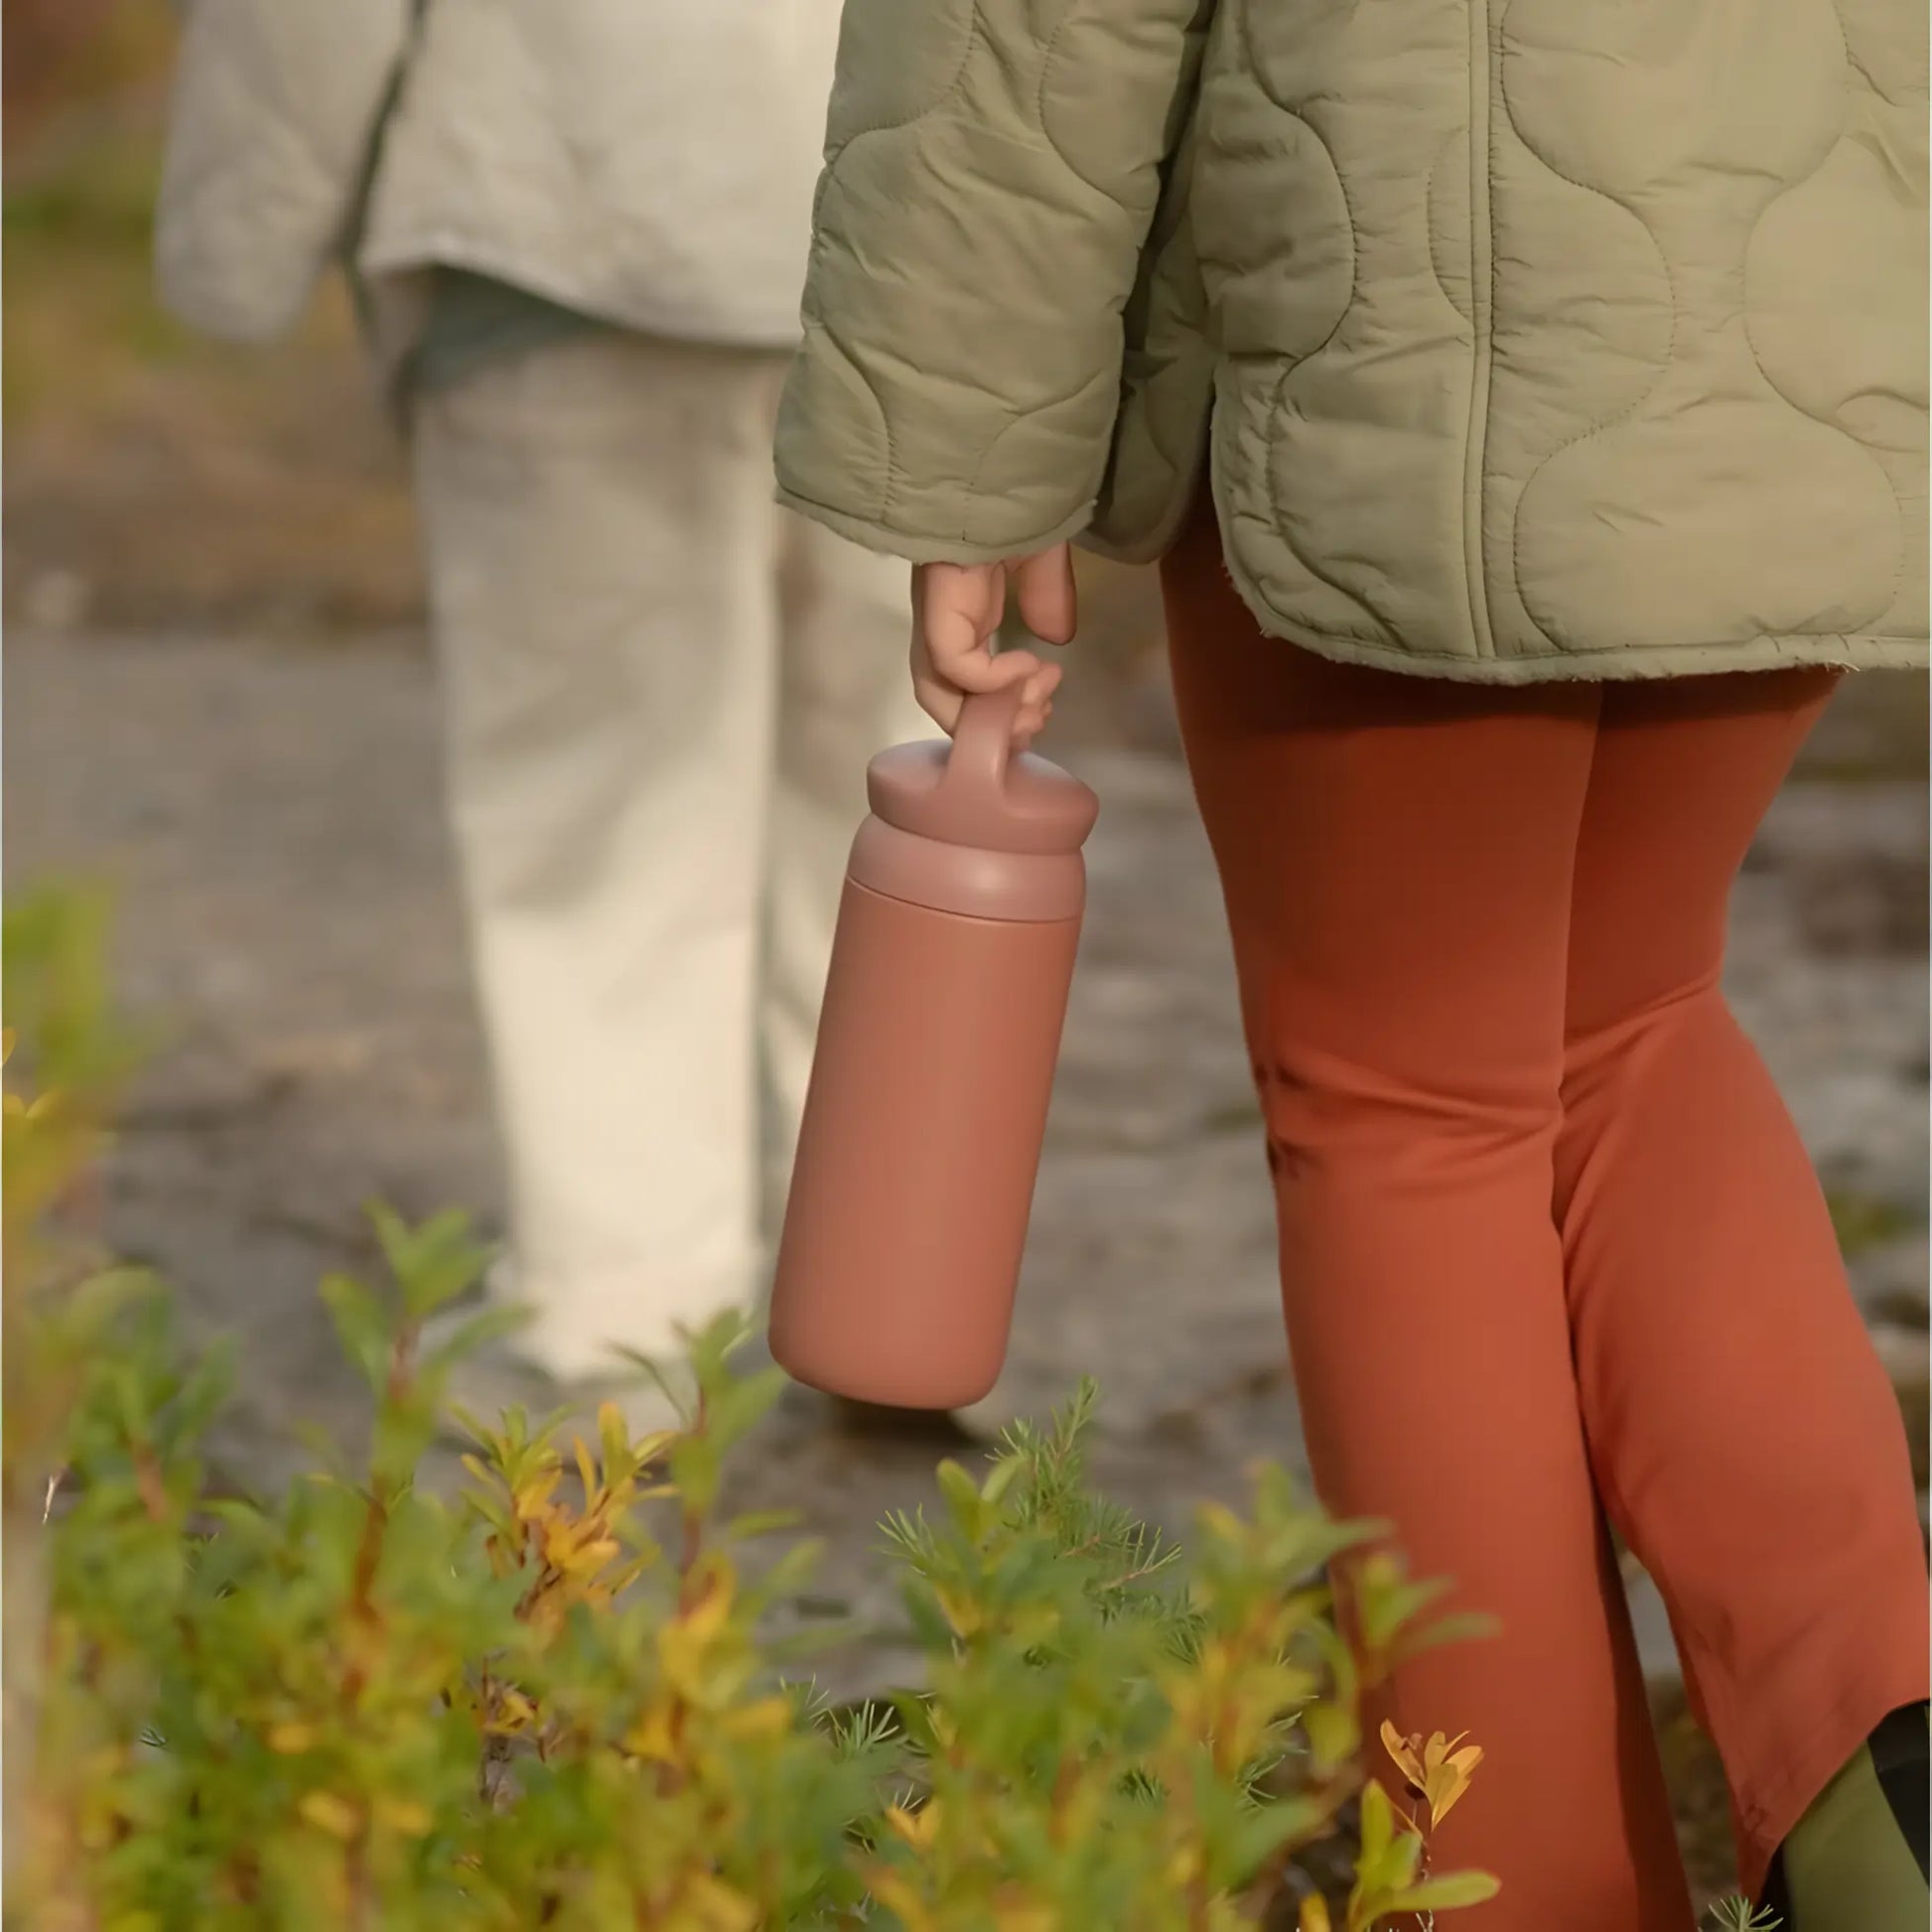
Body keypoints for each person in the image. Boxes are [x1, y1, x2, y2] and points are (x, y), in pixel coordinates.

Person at [770, 1, 1931, 1925]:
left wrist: (964, 451)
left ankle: (1519, 1896)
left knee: (1409, 1110)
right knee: (1631, 1021)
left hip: (1407, 350)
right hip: (1809, 322)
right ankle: (1888, 1803)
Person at [151, 1, 932, 1418]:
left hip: (573, 205)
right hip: (935, 238)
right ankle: (900, 1291)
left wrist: (237, 240)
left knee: (602, 820)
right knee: (900, 800)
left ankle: (630, 1320)